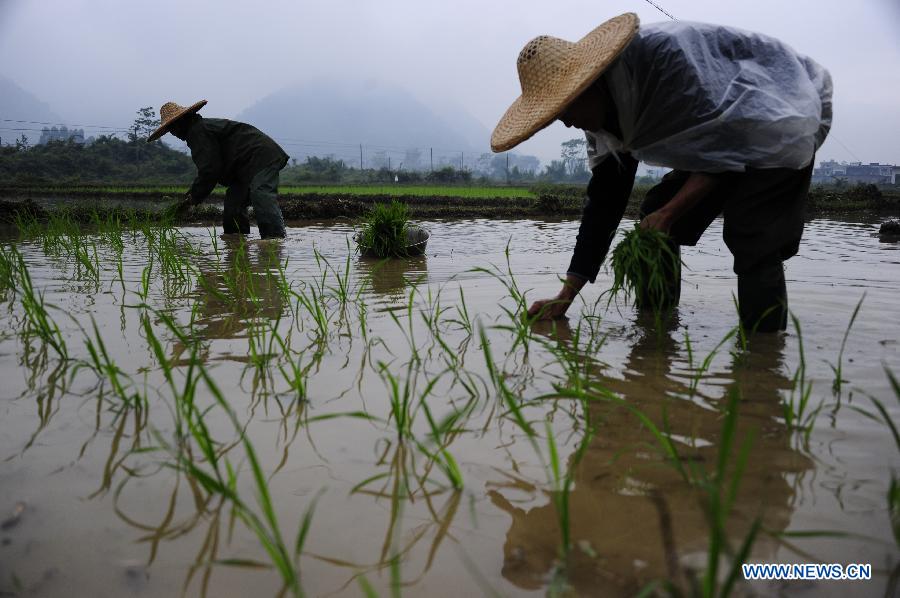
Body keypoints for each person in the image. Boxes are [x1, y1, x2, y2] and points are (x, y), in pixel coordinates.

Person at [491, 13, 832, 331]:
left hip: (779, 119)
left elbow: (728, 148)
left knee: (753, 233)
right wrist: (566, 295)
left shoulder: (665, 66)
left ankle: (764, 361)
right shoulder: (601, 124)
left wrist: (672, 212)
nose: (565, 122)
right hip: (723, 138)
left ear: (589, 84)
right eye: (556, 114)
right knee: (654, 218)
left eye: (565, 109)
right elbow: (604, 207)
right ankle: (657, 332)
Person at [147, 100, 289, 239]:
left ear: (182, 121)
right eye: (169, 130)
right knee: (234, 204)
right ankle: (236, 243)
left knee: (261, 194)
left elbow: (210, 169)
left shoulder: (198, 131)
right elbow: (213, 166)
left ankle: (274, 242)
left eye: (173, 127)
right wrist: (193, 195)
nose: (173, 133)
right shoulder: (199, 130)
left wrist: (193, 197)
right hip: (242, 169)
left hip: (260, 156)